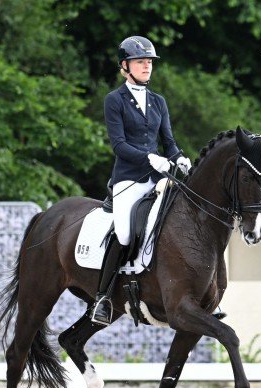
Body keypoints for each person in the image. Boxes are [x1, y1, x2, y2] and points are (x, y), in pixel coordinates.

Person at [91, 35, 192, 324]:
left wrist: (179, 157)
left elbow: (168, 142)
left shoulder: (159, 102)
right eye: (140, 62)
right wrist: (150, 158)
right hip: (129, 180)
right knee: (124, 233)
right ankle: (102, 298)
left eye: (149, 62)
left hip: (159, 178)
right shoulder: (115, 100)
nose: (147, 66)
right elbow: (119, 145)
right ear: (126, 66)